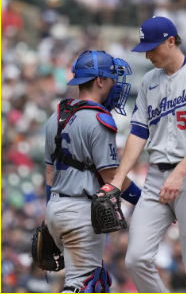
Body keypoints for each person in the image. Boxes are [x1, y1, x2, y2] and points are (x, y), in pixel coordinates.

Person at [108, 16, 186, 293]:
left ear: (171, 41)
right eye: (145, 49)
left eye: (152, 48)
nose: (148, 55)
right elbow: (138, 133)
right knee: (136, 258)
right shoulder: (149, 80)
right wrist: (118, 178)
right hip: (155, 177)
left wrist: (179, 174)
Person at [44, 50, 142, 293]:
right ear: (99, 80)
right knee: (84, 287)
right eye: (111, 79)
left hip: (55, 208)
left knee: (97, 283)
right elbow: (111, 177)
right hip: (80, 212)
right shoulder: (99, 119)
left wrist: (51, 219)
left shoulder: (54, 117)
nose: (114, 85)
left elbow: (49, 177)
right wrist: (142, 199)